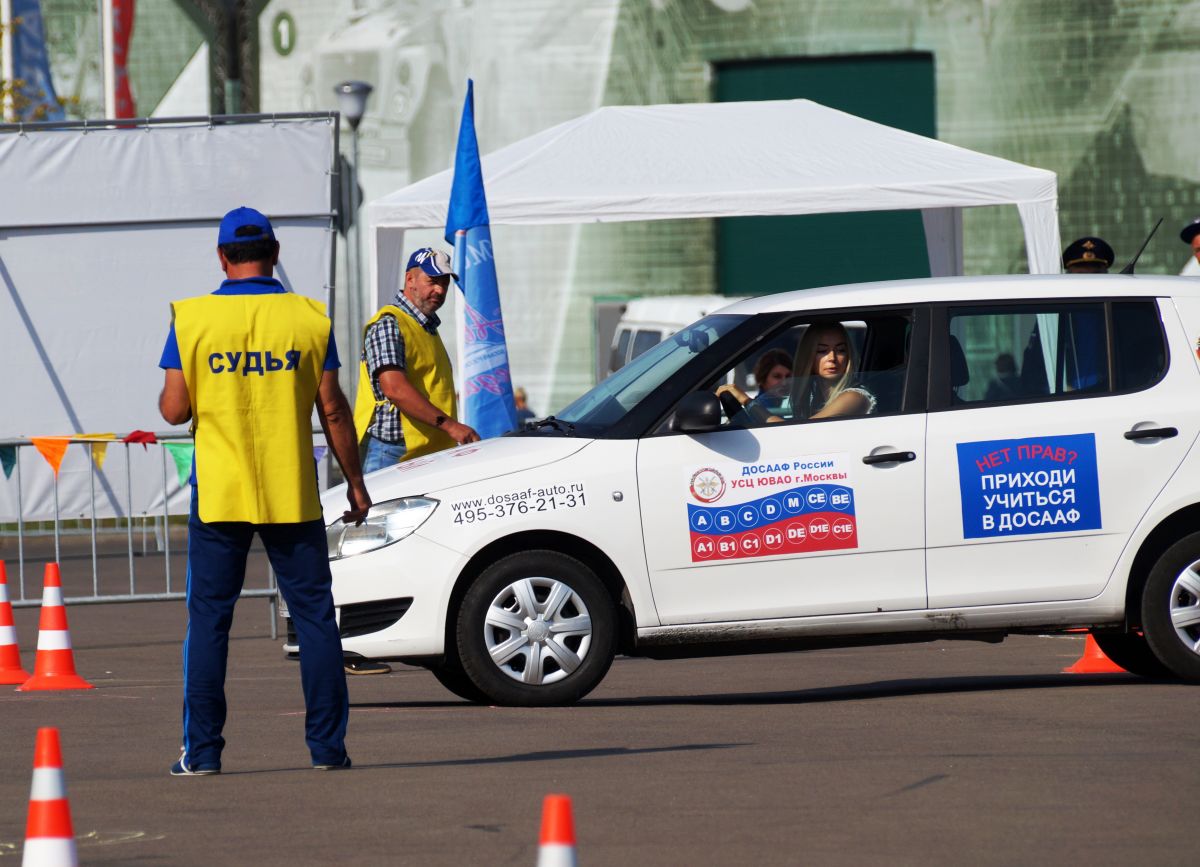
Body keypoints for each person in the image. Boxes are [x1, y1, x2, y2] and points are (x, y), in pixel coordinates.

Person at [158, 206, 371, 775]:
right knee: (315, 618)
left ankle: (202, 753)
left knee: (209, 623)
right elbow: (333, 410)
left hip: (221, 492)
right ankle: (328, 749)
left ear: (222, 257)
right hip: (290, 491)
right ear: (275, 253)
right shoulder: (308, 318)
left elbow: (174, 410)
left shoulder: (191, 318)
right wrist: (355, 482)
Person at [355, 247, 479, 473]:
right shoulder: (389, 323)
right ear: (409, 279)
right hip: (393, 452)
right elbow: (395, 388)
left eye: (444, 283)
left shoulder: (425, 327)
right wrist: (451, 426)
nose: (440, 290)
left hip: (422, 451)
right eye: (432, 281)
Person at [717, 322, 874, 423]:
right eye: (822, 351)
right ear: (809, 356)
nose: (832, 358)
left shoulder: (854, 397)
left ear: (849, 356)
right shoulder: (812, 394)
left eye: (840, 350)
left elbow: (795, 432)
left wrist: (746, 400)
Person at [750, 349, 792, 415]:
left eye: (788, 376)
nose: (784, 383)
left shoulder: (791, 407)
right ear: (762, 379)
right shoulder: (755, 412)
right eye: (777, 376)